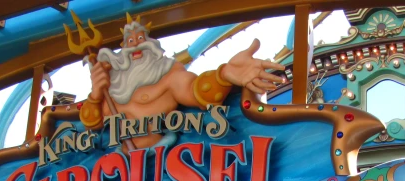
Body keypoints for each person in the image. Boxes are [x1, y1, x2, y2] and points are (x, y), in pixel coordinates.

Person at [82, 18, 283, 148]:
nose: (136, 46)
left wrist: (224, 74)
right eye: (130, 41)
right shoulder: (115, 88)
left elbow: (198, 93)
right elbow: (93, 123)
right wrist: (95, 95)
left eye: (141, 38)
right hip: (119, 167)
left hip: (163, 159)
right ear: (123, 49)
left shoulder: (169, 75)